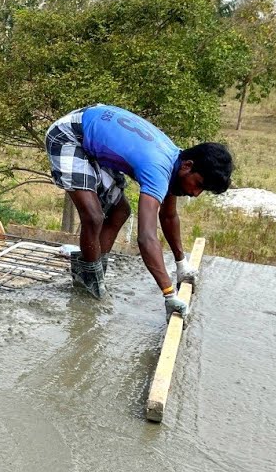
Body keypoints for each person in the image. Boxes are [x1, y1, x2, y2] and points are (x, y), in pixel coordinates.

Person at [45, 104, 234, 316]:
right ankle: (89, 283)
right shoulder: (157, 169)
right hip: (69, 135)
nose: (196, 193)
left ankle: (95, 272)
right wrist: (168, 292)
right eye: (198, 184)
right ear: (188, 166)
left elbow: (169, 216)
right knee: (93, 215)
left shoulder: (175, 161)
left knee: (120, 212)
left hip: (93, 133)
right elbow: (146, 237)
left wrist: (182, 265)